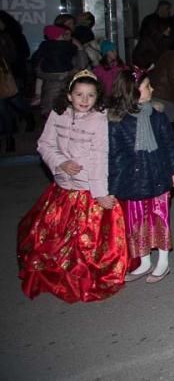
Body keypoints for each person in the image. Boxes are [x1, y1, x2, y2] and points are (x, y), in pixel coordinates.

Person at [17, 70, 127, 302]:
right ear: (69, 95)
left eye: (90, 95)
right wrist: (61, 163)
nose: (85, 100)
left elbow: (99, 157)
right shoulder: (58, 114)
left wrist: (100, 194)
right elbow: (44, 144)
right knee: (50, 238)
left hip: (87, 189)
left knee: (85, 241)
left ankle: (83, 276)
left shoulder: (99, 120)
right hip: (62, 187)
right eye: (79, 94)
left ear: (98, 97)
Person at [107, 68, 174, 283]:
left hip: (159, 175)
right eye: (147, 86)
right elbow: (116, 156)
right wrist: (113, 187)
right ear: (133, 91)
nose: (152, 89)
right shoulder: (118, 122)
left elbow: (170, 145)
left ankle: (163, 262)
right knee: (137, 221)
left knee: (159, 217)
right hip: (134, 179)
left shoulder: (157, 116)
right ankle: (144, 261)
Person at [31, 24, 87, 116]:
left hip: (55, 90)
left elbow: (37, 68)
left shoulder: (45, 48)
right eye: (65, 34)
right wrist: (79, 48)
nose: (68, 37)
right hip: (61, 90)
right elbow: (81, 65)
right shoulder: (68, 48)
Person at [147, 35, 174, 123]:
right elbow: (173, 77)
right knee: (167, 123)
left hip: (161, 93)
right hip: (163, 94)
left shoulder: (169, 54)